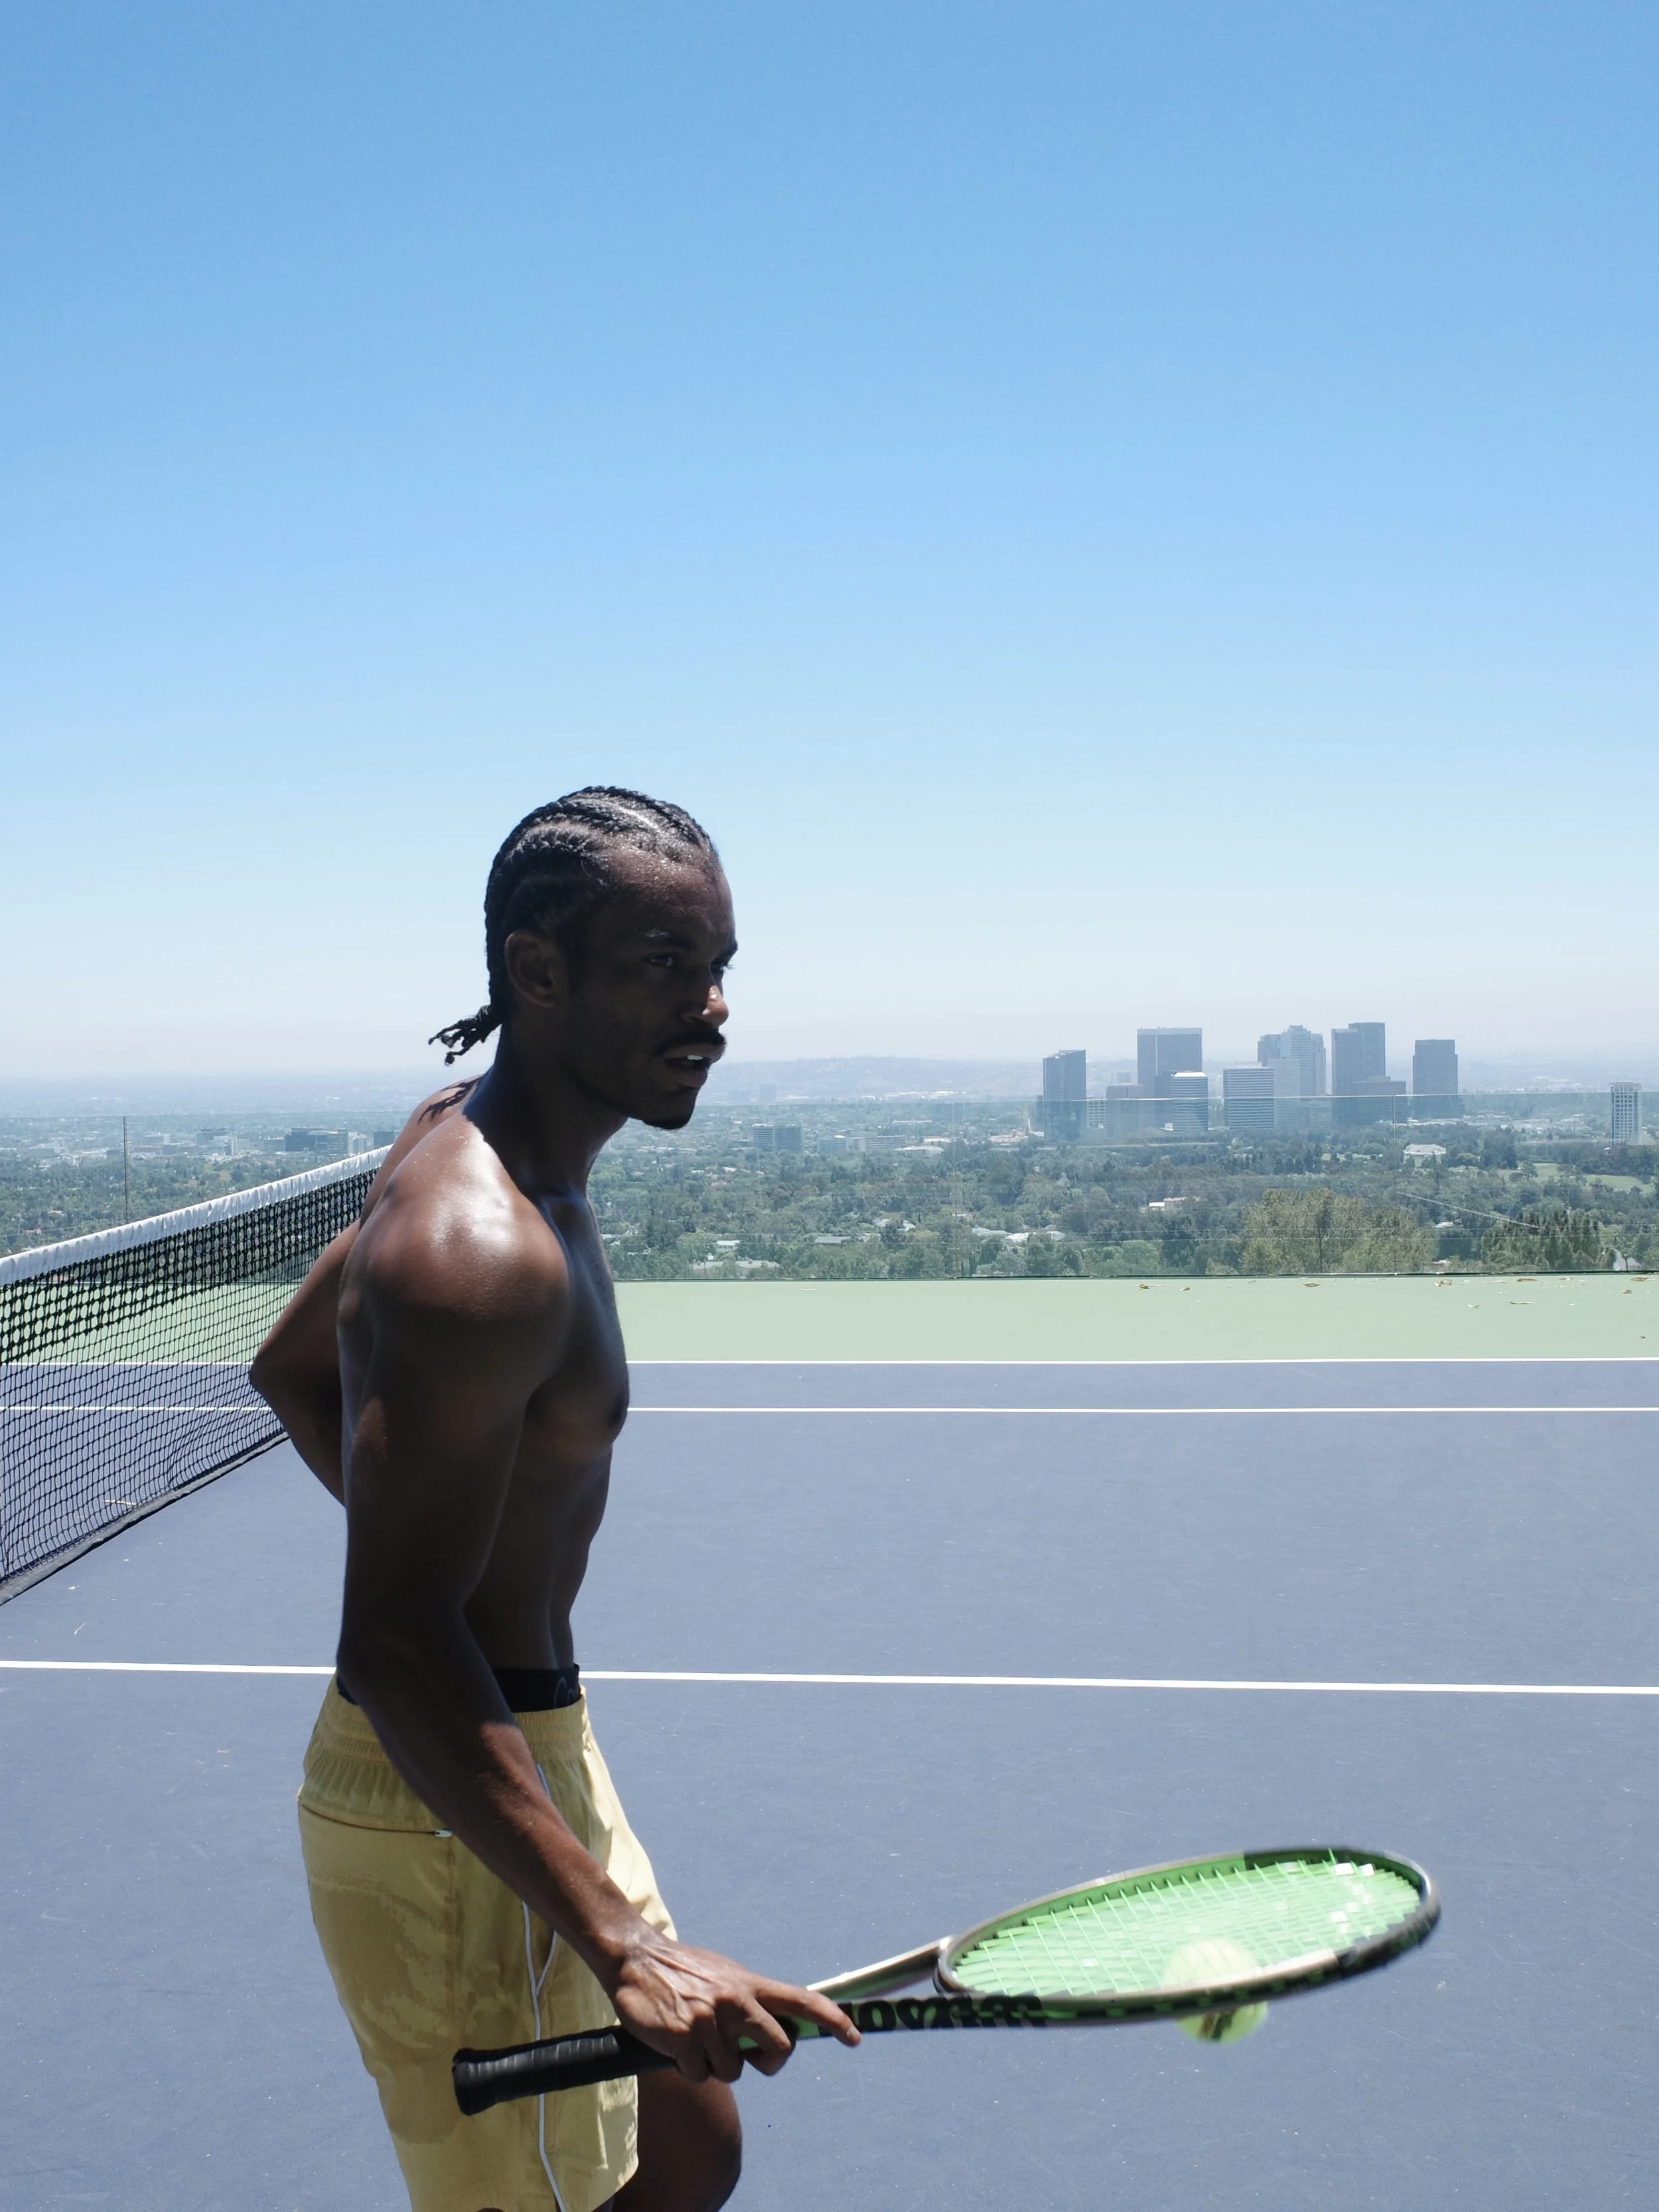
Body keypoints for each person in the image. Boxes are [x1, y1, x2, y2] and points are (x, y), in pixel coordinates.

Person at [251, 788, 855, 2212]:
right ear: (538, 970)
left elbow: (290, 1368)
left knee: (686, 2145)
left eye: (720, 965)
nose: (712, 1007)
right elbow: (393, 1638)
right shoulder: (480, 1254)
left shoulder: (478, 1142)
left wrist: (449, 1551)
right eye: (665, 964)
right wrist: (619, 1942)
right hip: (444, 1804)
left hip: (522, 1745)